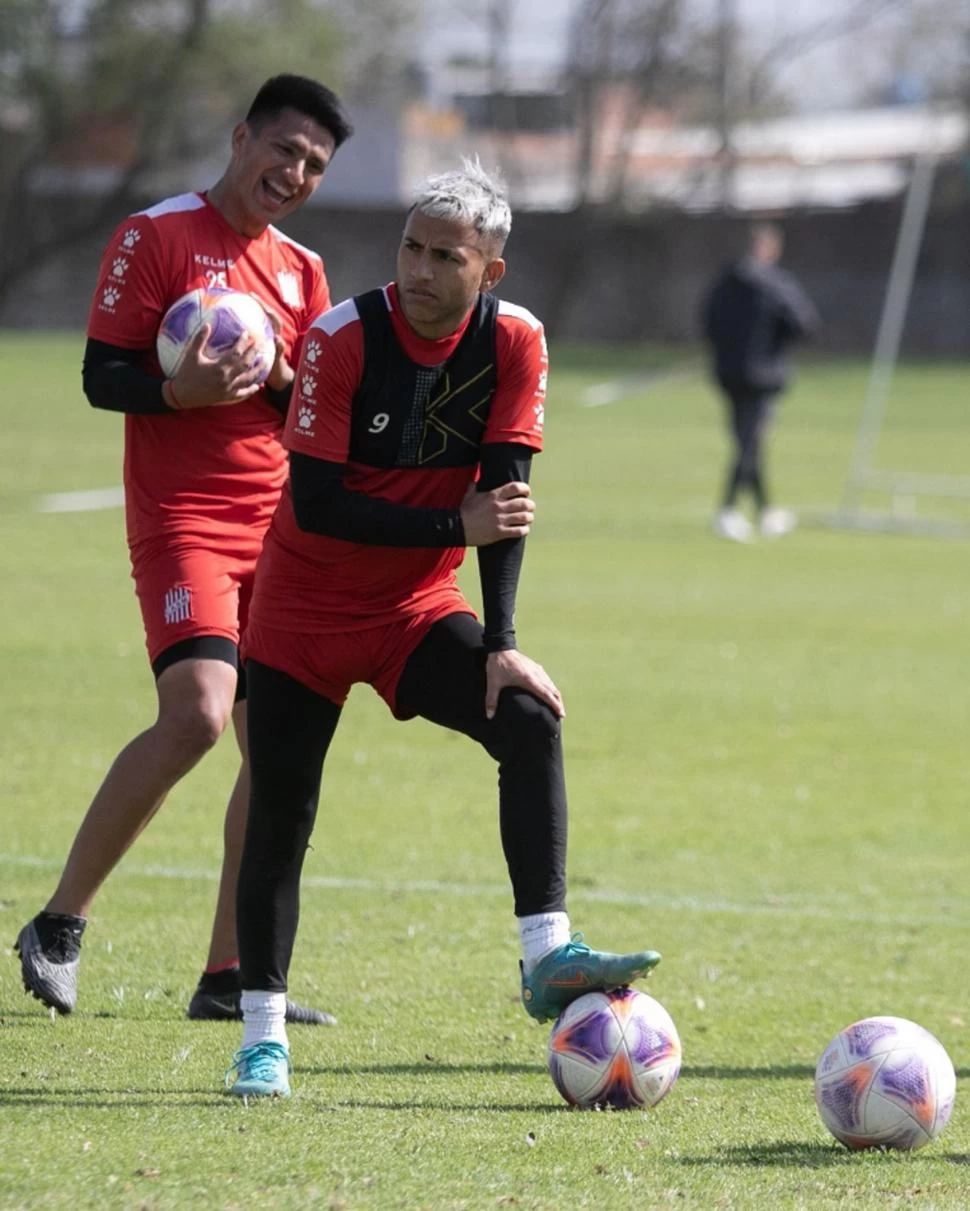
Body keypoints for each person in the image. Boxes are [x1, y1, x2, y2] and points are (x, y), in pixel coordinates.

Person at [222, 159, 662, 1098]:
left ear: (489, 269)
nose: (420, 269)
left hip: (415, 612)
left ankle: (545, 955)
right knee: (281, 813)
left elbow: (506, 501)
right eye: (411, 248)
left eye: (445, 255)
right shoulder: (339, 337)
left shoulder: (516, 341)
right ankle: (262, 1038)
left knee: (531, 717)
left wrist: (501, 640)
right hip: (299, 613)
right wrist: (448, 527)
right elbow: (319, 502)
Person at [15, 74, 353, 1025]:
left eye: (315, 165)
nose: (294, 173)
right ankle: (59, 922)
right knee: (199, 714)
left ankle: (230, 975)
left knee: (275, 750)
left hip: (277, 532)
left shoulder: (302, 271)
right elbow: (100, 374)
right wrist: (177, 394)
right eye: (283, 149)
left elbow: (312, 413)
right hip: (185, 522)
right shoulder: (155, 235)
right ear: (241, 136)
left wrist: (285, 371)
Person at [702, 221, 819, 542]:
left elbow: (708, 323)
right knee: (751, 442)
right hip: (762, 375)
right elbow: (804, 323)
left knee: (748, 441)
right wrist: (774, 345)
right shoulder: (776, 285)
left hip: (729, 374)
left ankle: (766, 510)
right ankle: (727, 510)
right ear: (769, 249)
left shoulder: (723, 283)